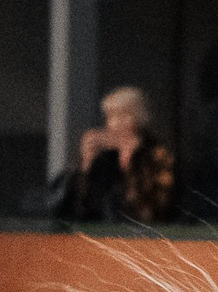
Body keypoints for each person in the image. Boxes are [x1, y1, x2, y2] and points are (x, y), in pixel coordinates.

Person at [52, 86, 179, 225]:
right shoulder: (105, 159)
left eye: (113, 116)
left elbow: (159, 206)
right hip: (104, 234)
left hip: (145, 236)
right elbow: (77, 209)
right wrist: (86, 165)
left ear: (131, 119)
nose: (108, 124)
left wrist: (131, 162)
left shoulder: (157, 155)